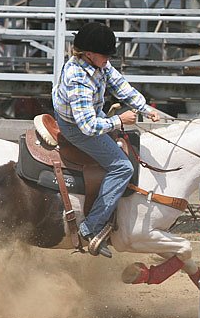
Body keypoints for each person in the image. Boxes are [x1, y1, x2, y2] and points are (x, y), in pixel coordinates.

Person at [52, 22, 160, 257]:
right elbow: (88, 126)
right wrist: (120, 121)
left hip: (91, 115)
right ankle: (90, 228)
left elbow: (121, 86)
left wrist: (143, 107)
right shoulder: (77, 77)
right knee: (122, 167)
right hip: (75, 128)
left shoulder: (99, 64)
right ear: (89, 54)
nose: (108, 59)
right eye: (105, 55)